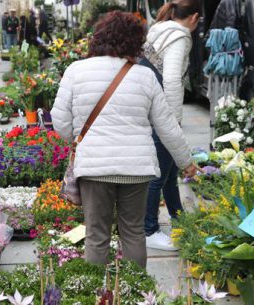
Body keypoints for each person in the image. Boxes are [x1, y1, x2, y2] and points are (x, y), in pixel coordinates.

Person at [51, 11, 199, 268]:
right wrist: (186, 161)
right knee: (133, 233)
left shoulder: (76, 70)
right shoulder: (145, 75)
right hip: (137, 169)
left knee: (97, 236)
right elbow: (167, 126)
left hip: (94, 168)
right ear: (135, 41)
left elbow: (59, 120)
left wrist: (80, 140)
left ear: (98, 38)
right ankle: (135, 292)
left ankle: (98, 293)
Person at [144, 0, 200, 251]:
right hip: (161, 110)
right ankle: (148, 230)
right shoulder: (179, 36)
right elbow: (172, 78)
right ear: (194, 18)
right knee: (158, 174)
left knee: (167, 171)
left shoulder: (160, 28)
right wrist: (174, 120)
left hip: (148, 103)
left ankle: (178, 218)